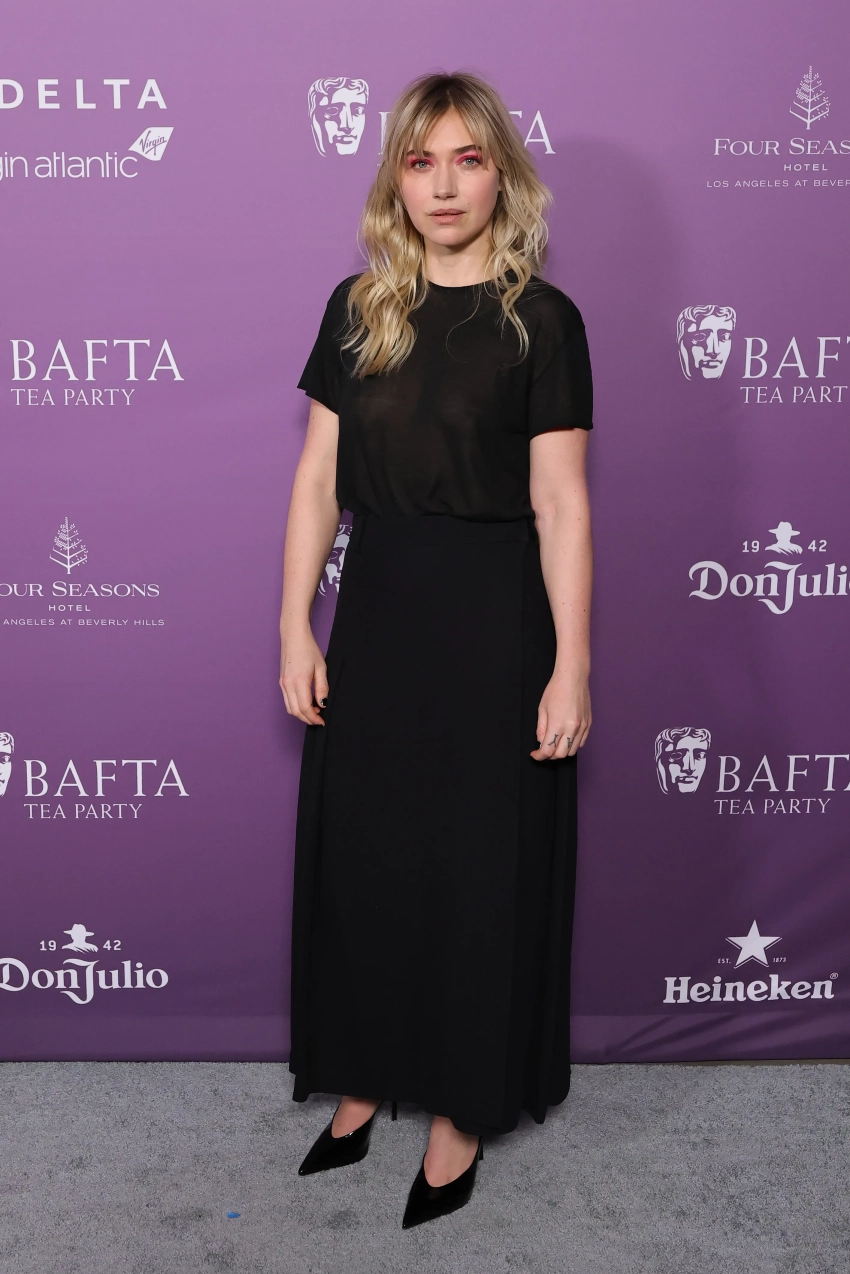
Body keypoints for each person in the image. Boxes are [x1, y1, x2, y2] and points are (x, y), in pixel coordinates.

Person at [279, 69, 593, 1229]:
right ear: (395, 181)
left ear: (502, 175)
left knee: (475, 869)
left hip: (493, 623)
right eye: (421, 161)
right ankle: (363, 1073)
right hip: (378, 615)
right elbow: (317, 481)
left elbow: (560, 505)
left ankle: (460, 1105)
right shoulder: (356, 307)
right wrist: (292, 623)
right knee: (368, 856)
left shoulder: (540, 321)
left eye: (467, 159)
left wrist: (570, 663)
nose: (444, 185)